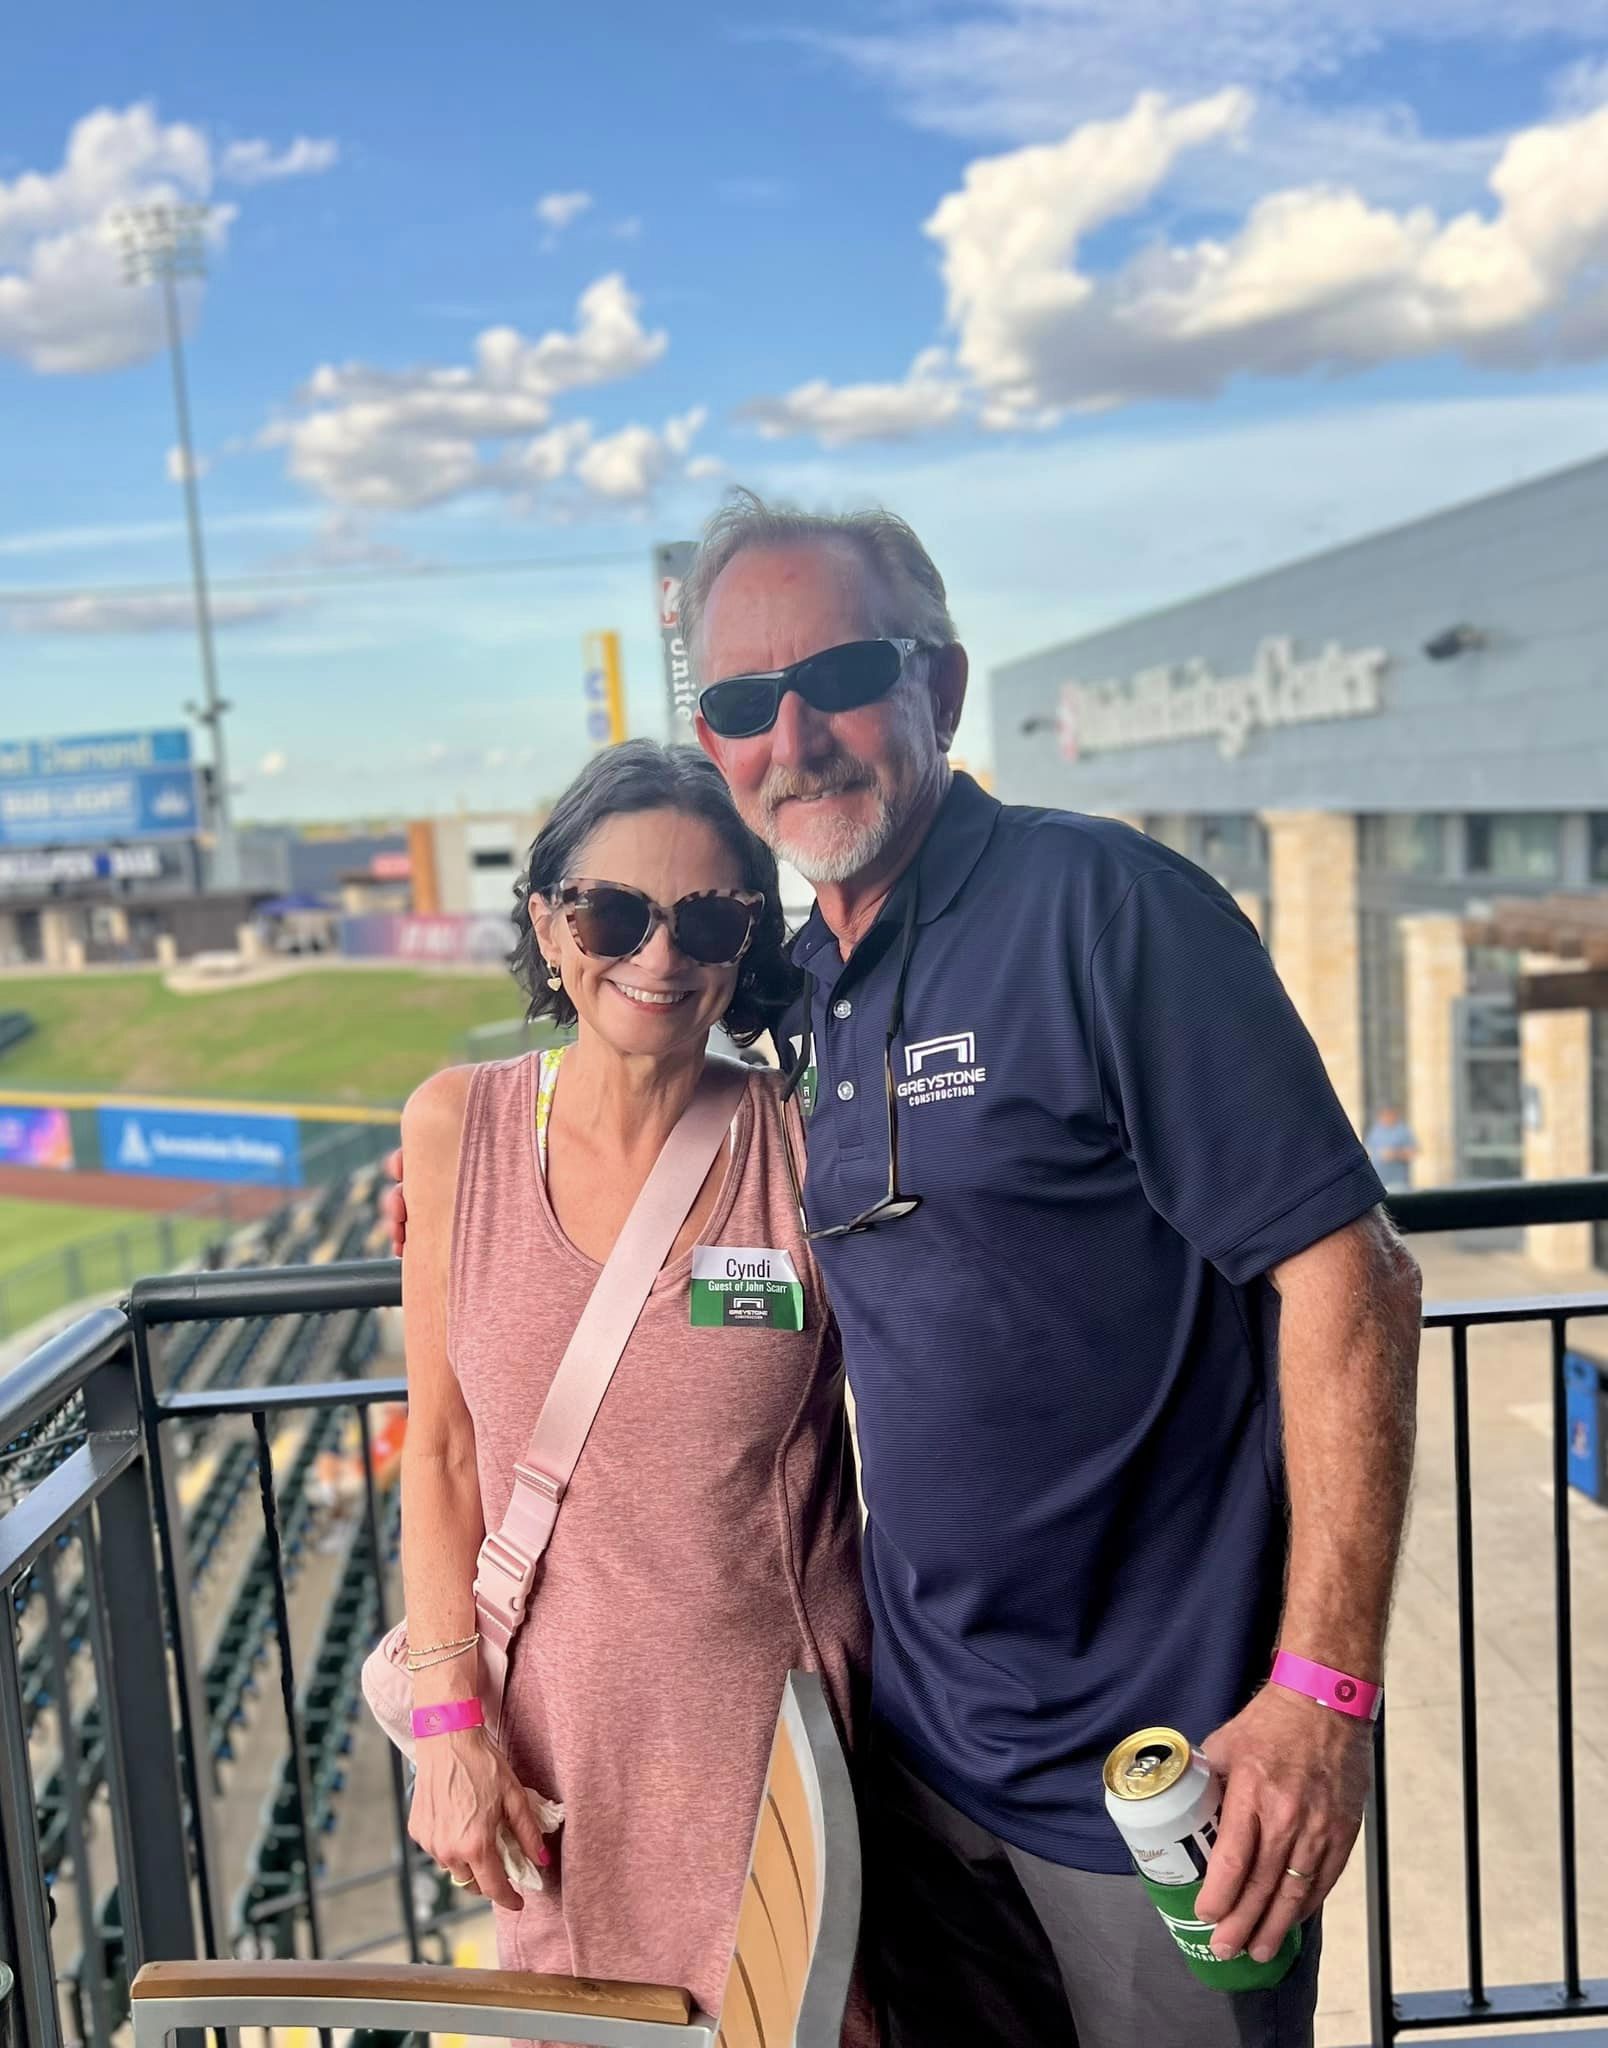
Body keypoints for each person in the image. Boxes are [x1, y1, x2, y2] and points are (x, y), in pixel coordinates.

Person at [391, 493, 1422, 2047]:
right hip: (919, 1761)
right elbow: (639, 1019)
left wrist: (1323, 1694)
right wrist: (461, 1182)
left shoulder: (1105, 910)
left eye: (841, 675)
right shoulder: (801, 983)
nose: (791, 735)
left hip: (1164, 1769)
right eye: (743, 701)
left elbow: (1351, 1279)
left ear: (938, 685)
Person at [396, 740, 872, 2037]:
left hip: (779, 1761)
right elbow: (437, 1455)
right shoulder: (453, 1128)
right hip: (555, 1769)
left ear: (743, 945)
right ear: (550, 926)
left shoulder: (807, 1139)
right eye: (614, 912)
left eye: (708, 917)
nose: (659, 955)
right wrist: (450, 1725)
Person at [1364, 1104, 1419, 1192]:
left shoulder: (1403, 1131)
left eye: (1389, 1115)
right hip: (1379, 1181)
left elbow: (1412, 1152)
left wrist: (1394, 1154)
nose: (1386, 1117)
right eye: (1384, 1115)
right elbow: (1367, 1150)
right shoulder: (1375, 1131)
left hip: (1398, 1182)